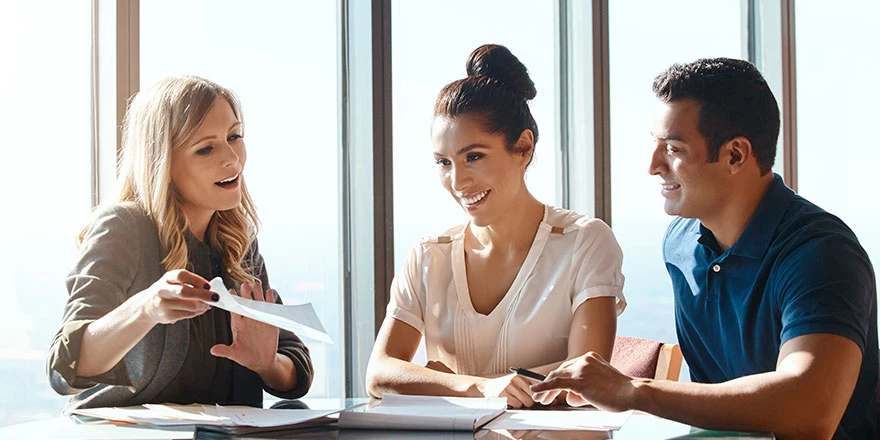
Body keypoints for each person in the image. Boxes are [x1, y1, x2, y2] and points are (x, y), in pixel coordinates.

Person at [532, 58, 878, 439]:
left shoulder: (821, 255)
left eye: (674, 148)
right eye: (655, 144)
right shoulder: (679, 242)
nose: (652, 165)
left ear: (735, 155)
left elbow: (810, 410)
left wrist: (633, 391)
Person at [365, 44, 626, 408]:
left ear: (523, 147)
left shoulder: (584, 242)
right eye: (444, 162)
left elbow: (585, 382)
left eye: (474, 157)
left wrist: (440, 381)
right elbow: (379, 374)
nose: (458, 182)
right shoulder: (429, 255)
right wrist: (481, 388)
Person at [47, 76, 314, 411]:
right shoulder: (124, 227)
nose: (232, 159)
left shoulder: (237, 239)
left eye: (234, 136)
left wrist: (266, 363)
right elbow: (64, 368)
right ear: (164, 164)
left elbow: (296, 366)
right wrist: (145, 309)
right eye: (206, 148)